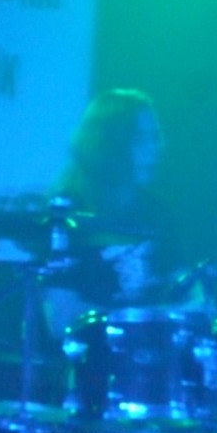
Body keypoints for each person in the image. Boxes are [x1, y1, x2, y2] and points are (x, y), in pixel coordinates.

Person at [41, 88, 189, 340]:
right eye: (140, 139)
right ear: (109, 144)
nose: (154, 149)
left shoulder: (158, 211)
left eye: (155, 138)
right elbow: (60, 319)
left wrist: (197, 303)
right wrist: (135, 324)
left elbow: (181, 286)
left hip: (151, 354)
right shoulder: (67, 212)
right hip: (88, 355)